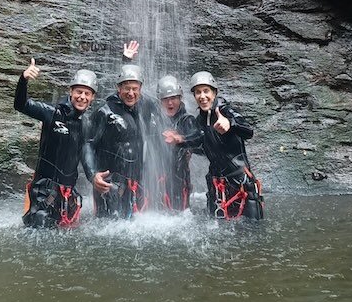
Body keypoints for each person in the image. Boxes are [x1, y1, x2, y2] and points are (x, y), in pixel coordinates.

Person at [167, 70, 263, 220]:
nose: (202, 96)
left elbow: (248, 131)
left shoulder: (225, 110)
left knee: (251, 232)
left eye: (206, 91)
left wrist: (231, 124)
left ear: (214, 93)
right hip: (216, 186)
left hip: (239, 184)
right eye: (198, 92)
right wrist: (180, 141)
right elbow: (199, 142)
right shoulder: (199, 120)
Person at [14, 58, 97, 228]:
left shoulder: (87, 123)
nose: (82, 97)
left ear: (92, 97)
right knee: (39, 235)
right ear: (71, 92)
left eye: (87, 94)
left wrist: (93, 176)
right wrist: (23, 80)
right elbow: (21, 105)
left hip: (69, 193)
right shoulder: (52, 113)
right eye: (78, 92)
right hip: (44, 191)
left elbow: (85, 152)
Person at [83, 40, 157, 218]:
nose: (131, 93)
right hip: (110, 183)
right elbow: (88, 145)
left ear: (140, 89)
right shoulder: (105, 112)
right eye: (126, 88)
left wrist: (127, 61)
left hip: (135, 182)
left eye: (135, 89)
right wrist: (92, 175)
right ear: (118, 88)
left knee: (132, 226)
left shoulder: (142, 107)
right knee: (109, 227)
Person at [157, 75, 201, 211]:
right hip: (156, 179)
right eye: (166, 99)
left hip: (179, 180)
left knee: (179, 215)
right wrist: (127, 61)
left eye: (173, 98)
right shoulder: (154, 120)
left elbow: (197, 137)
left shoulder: (187, 120)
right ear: (160, 101)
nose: (170, 103)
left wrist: (180, 139)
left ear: (180, 98)